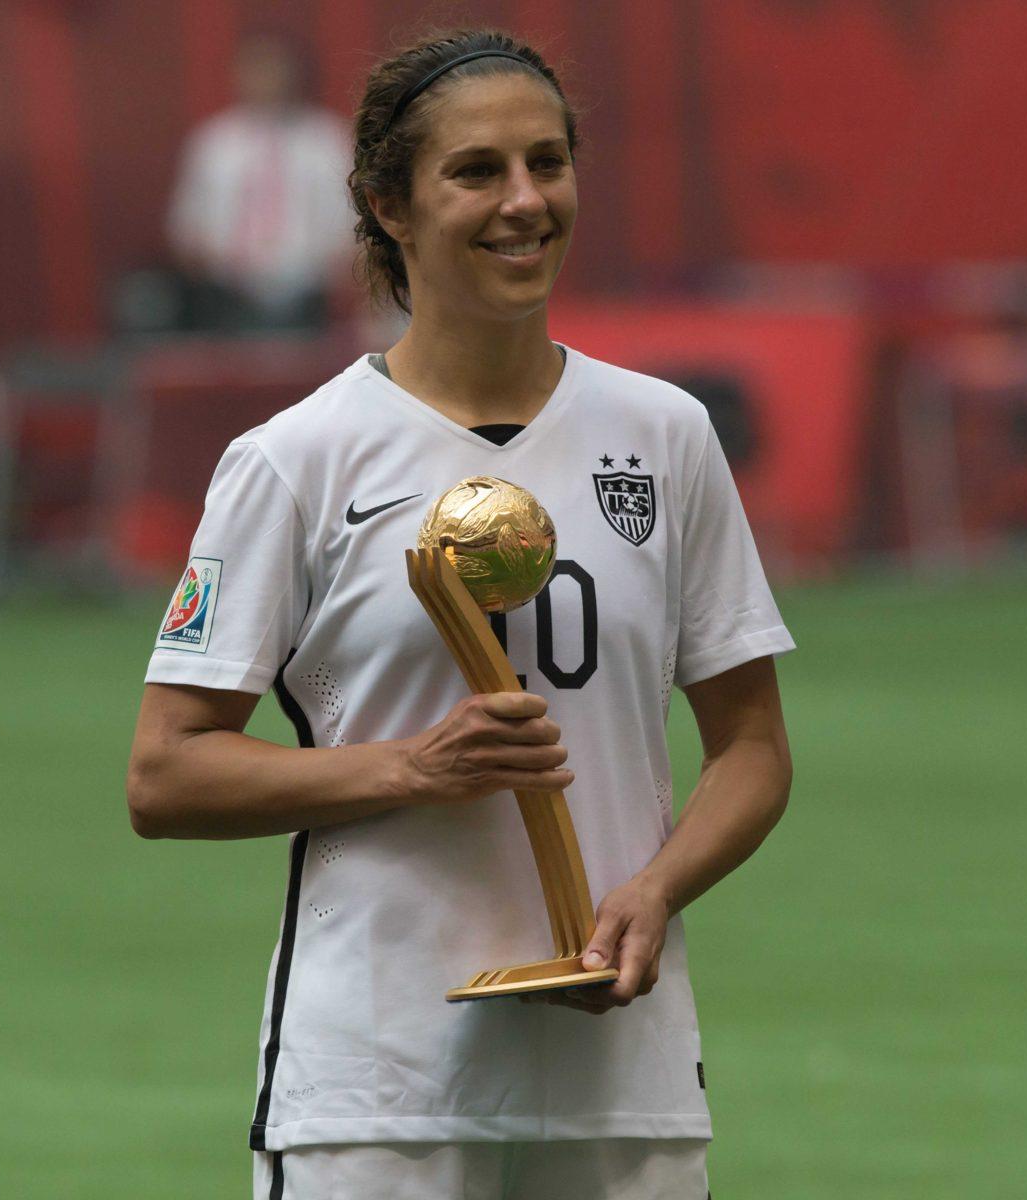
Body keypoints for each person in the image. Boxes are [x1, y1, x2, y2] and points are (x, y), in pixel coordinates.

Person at [127, 27, 794, 1200]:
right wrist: (410, 769)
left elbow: (750, 748)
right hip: (373, 1092)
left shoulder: (665, 435)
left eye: (549, 162)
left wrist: (654, 891)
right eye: (476, 172)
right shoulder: (293, 461)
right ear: (387, 203)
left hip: (619, 1087)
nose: (524, 202)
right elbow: (166, 776)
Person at [164, 29, 355, 332]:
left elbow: (353, 222)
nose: (265, 78)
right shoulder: (215, 141)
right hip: (225, 297)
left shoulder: (328, 138)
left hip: (316, 297)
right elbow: (187, 227)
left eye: (273, 68)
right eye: (255, 69)